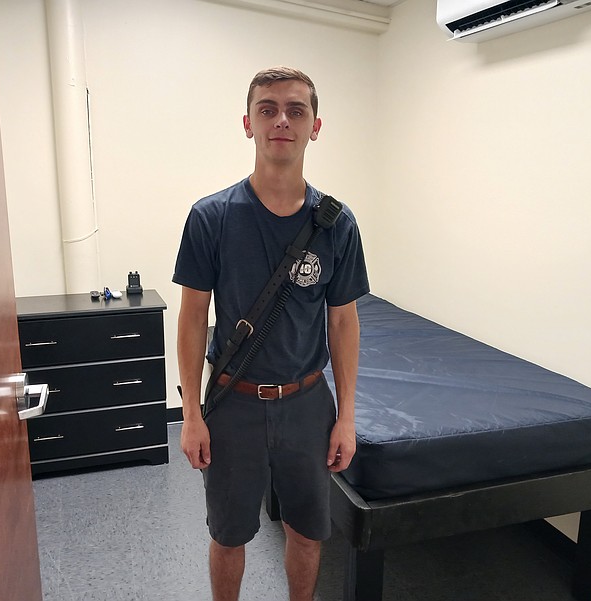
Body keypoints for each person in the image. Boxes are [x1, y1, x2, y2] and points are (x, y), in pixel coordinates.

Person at [173, 66, 369, 601]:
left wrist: (346, 416)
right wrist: (191, 414)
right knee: (229, 534)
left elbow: (343, 320)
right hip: (233, 403)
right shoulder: (211, 217)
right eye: (268, 109)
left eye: (295, 110)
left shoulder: (337, 223)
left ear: (315, 126)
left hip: (307, 403)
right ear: (248, 123)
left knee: (308, 532)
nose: (282, 119)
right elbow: (192, 318)